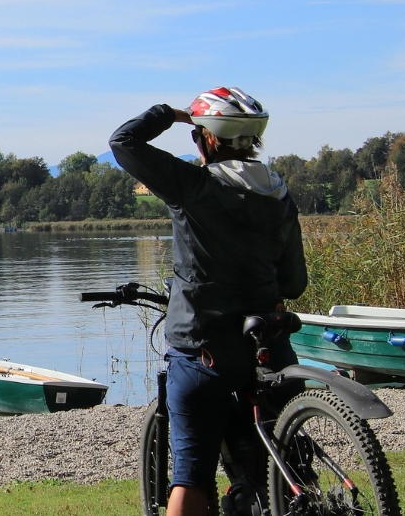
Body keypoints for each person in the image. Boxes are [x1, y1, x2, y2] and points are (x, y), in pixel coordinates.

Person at [109, 87, 308, 516]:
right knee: (282, 457)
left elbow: (123, 142)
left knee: (192, 475)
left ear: (209, 138)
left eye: (199, 133)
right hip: (268, 345)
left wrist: (174, 114)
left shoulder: (195, 185)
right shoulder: (278, 194)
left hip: (204, 349)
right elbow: (294, 283)